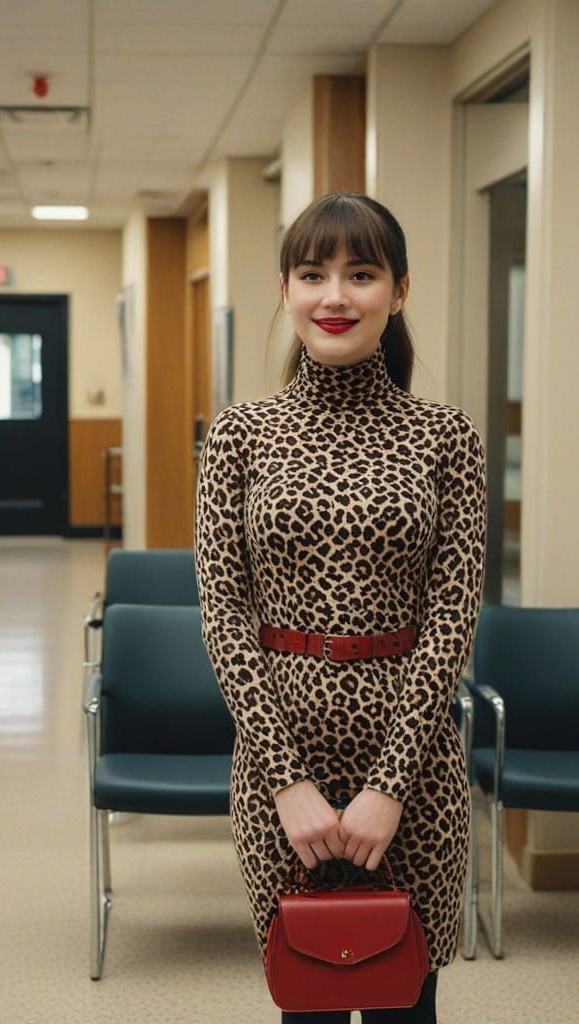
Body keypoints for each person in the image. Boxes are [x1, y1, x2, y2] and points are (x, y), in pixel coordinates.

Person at [193, 192, 487, 1023]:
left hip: (415, 765)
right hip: (278, 763)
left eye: (361, 274)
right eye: (312, 274)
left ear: (399, 291)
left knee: (404, 1002)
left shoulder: (447, 437)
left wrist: (389, 786)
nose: (335, 296)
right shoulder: (240, 435)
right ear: (285, 289)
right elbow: (223, 614)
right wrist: (288, 783)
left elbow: (452, 618)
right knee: (308, 1000)